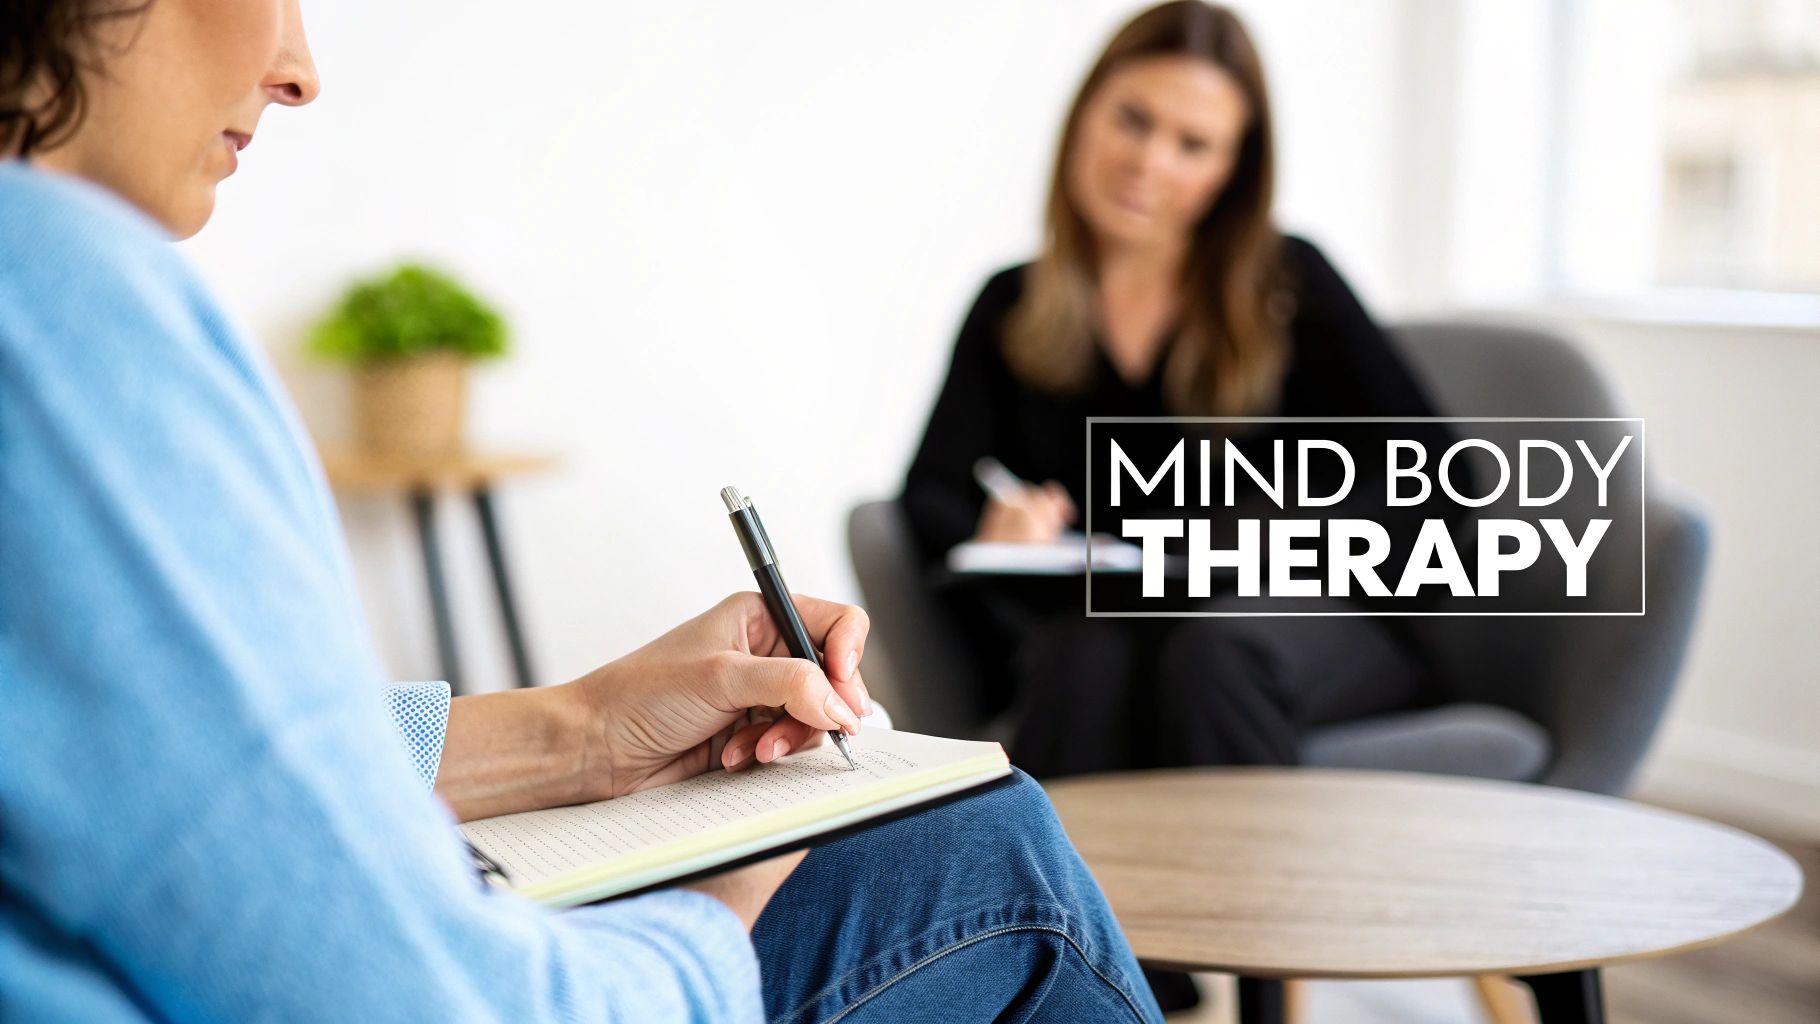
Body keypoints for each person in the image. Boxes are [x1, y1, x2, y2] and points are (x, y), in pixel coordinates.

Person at [0, 2, 1164, 1021]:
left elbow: (162, 761)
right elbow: (434, 1004)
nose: (300, 67)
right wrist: (720, 901)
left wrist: (580, 728)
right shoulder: (55, 307)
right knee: (982, 853)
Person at [904, 1, 1452, 783]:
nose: (1149, 162)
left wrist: (1274, 538)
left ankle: (1243, 908)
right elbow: (928, 497)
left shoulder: (1292, 286)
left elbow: (1434, 478)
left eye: (1192, 145)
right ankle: (1058, 908)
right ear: (1085, 114)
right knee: (1076, 657)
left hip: (1293, 626)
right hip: (1120, 630)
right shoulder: (1010, 306)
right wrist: (997, 525)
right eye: (1133, 119)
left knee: (1210, 652)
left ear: (1232, 172)